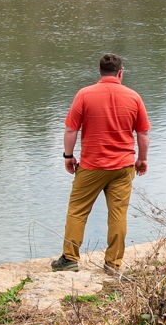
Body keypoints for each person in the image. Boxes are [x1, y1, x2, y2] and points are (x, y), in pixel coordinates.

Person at [52, 52, 149, 275]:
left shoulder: (84, 94)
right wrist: (142, 159)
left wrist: (68, 156)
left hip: (92, 165)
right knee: (118, 214)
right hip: (123, 167)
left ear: (100, 72)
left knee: (77, 210)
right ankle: (113, 264)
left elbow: (70, 129)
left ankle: (70, 259)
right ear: (120, 73)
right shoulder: (133, 97)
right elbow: (143, 133)